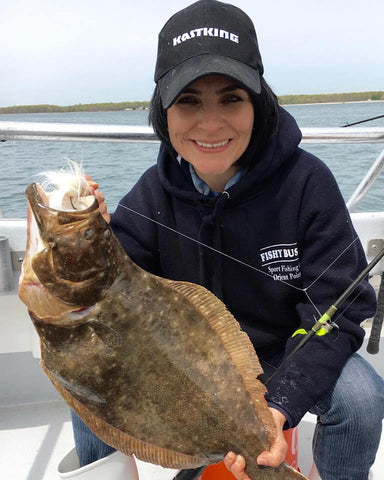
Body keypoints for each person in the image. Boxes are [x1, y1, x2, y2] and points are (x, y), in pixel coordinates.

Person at [73, 1, 384, 479]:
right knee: (87, 383)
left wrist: (278, 404)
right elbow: (102, 301)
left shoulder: (307, 184)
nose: (212, 124)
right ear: (164, 111)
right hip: (190, 363)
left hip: (287, 349)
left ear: (259, 104)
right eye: (189, 101)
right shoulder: (150, 195)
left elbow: (338, 310)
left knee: (362, 400)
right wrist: (83, 238)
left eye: (231, 99)